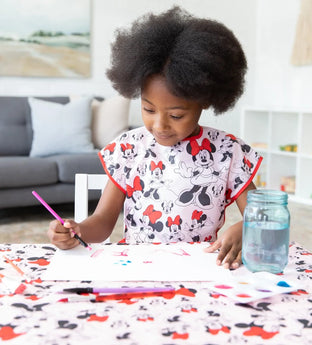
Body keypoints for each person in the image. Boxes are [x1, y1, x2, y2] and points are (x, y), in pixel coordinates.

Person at [48, 6, 262, 270]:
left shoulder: (228, 151)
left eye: (176, 115)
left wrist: (247, 227)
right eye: (148, 109)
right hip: (135, 267)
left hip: (199, 269)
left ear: (205, 101)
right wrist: (77, 230)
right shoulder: (129, 148)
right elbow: (102, 224)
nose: (159, 125)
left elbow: (263, 215)